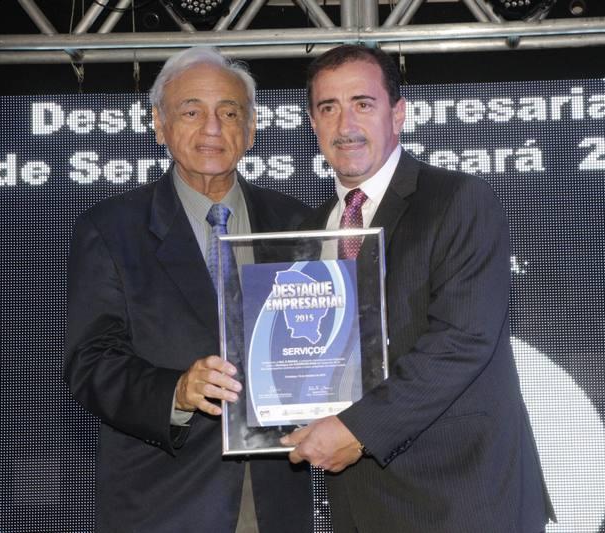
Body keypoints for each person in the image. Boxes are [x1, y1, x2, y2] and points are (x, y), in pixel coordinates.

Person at [281, 45, 556, 532]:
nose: (345, 124)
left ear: (398, 114)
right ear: (313, 123)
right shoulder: (306, 233)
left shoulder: (457, 201)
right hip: (358, 503)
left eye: (362, 103)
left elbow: (462, 340)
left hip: (461, 499)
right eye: (328, 108)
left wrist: (356, 430)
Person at [64, 46, 312, 532]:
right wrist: (176, 391)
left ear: (252, 129)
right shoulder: (111, 229)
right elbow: (91, 364)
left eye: (229, 112)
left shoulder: (297, 222)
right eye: (191, 112)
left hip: (278, 502)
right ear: (159, 125)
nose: (213, 128)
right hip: (163, 505)